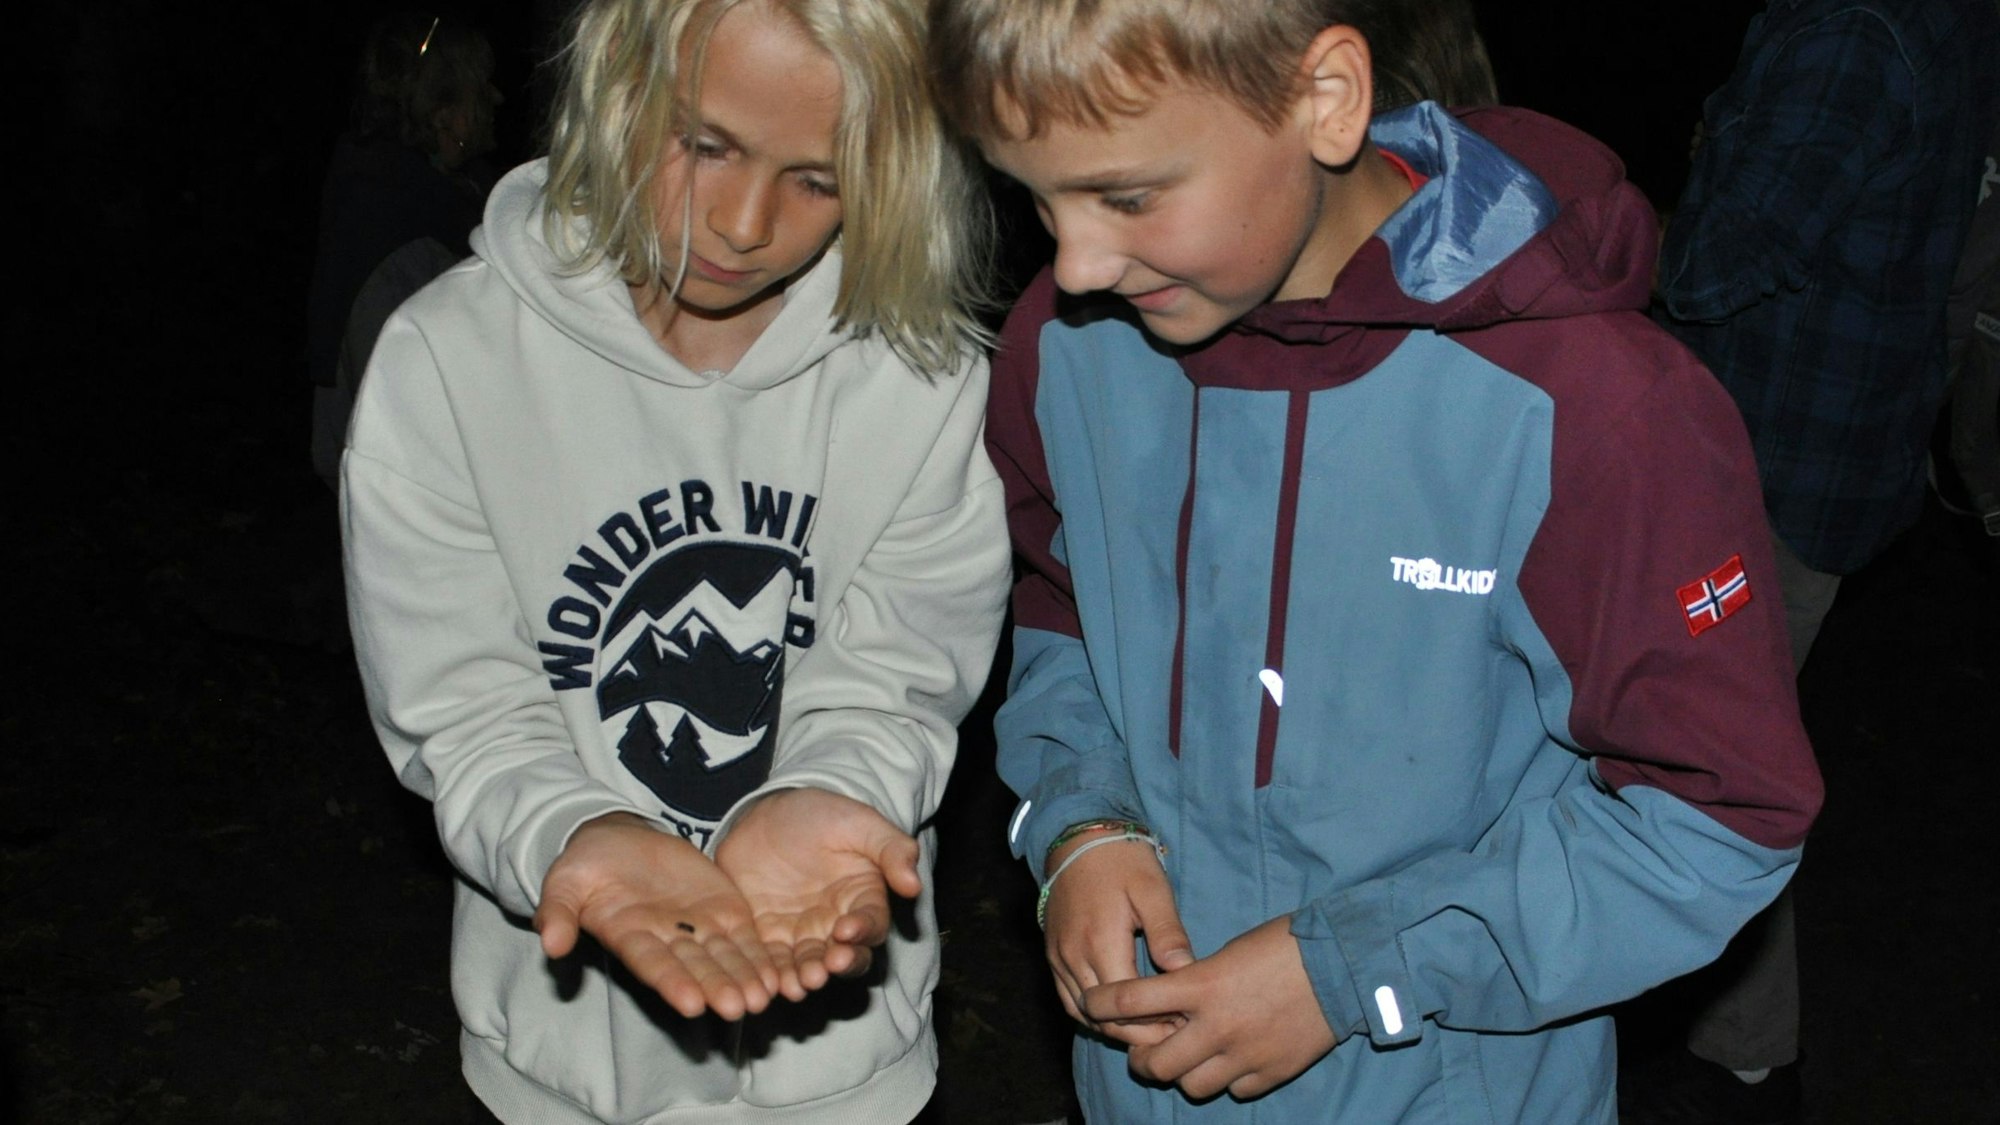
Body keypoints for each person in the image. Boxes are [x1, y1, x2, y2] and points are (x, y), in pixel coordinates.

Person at [927, 0, 1824, 1120]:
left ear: (1324, 101)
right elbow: (1062, 606)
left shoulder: (1594, 412)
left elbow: (1715, 820)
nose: (1075, 262)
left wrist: (1355, 968)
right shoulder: (1065, 350)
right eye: (1033, 196)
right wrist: (1078, 822)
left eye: (1128, 194)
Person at [340, 0, 1009, 1120]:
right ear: (618, 84)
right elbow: (459, 704)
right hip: (558, 1068)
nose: (745, 222)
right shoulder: (446, 362)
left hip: (842, 1072)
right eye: (705, 146)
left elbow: (898, 671)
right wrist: (573, 833)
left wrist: (826, 791)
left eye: (818, 178)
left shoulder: (924, 378)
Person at [1649, 1, 1999, 1116]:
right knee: (1715, 749)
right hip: (1847, 448)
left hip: (1766, 465)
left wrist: (1578, 224)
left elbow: (1709, 267)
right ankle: (1735, 1042)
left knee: (1696, 765)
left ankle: (1746, 1056)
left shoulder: (1842, 34)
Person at [308, 11, 506, 488]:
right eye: (482, 87)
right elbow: (398, 433)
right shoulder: (395, 230)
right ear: (442, 111)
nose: (496, 99)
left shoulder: (451, 196)